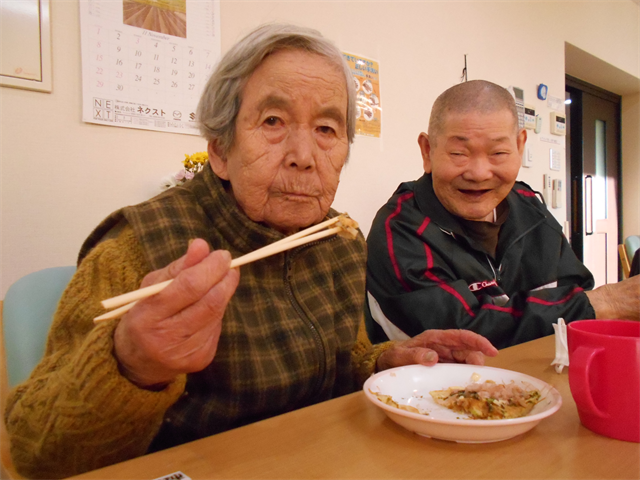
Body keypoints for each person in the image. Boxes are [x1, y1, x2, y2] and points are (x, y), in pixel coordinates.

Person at [4, 25, 497, 480]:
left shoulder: (339, 241)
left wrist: (385, 362)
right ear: (220, 147)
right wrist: (132, 365)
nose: (305, 156)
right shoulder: (135, 250)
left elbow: (338, 364)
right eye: (273, 120)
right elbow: (34, 450)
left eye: (327, 129)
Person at [365, 80, 640, 349]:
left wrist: (587, 305)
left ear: (520, 147)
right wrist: (608, 303)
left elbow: (576, 289)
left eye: (498, 152)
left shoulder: (529, 207)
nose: (479, 173)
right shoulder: (399, 227)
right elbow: (464, 335)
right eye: (459, 153)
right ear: (428, 151)